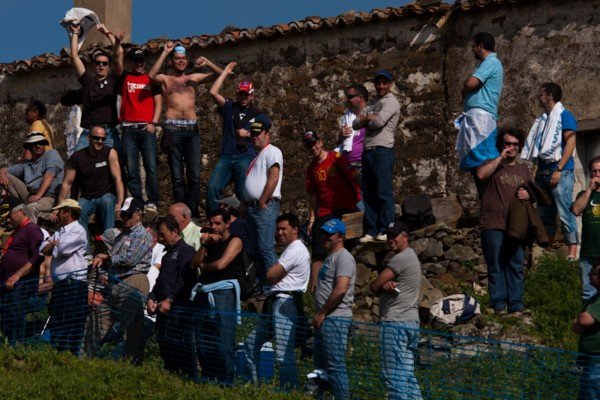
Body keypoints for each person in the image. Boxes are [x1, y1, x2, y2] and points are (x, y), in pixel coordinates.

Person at [149, 42, 223, 218]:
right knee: (177, 177)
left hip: (191, 131)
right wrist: (165, 52)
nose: (181, 61)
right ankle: (180, 214)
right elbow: (151, 75)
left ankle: (192, 213)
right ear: (172, 62)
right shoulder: (166, 79)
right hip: (172, 129)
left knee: (195, 176)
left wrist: (208, 63)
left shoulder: (193, 78)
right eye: (177, 59)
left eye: (183, 58)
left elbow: (221, 74)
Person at [244, 212, 310, 388]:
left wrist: (272, 274)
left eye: (283, 228)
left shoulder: (296, 249)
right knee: (251, 344)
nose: (279, 232)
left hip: (285, 303)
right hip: (276, 302)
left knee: (283, 354)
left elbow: (270, 275)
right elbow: (272, 277)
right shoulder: (290, 250)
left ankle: (289, 391)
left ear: (295, 230)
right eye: (277, 229)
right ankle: (255, 387)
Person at [477, 127, 532, 315]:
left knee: (516, 265)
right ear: (501, 144)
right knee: (496, 265)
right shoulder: (491, 163)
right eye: (508, 143)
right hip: (493, 223)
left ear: (520, 147)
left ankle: (516, 305)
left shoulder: (524, 170)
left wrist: (528, 195)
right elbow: (481, 175)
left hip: (516, 227)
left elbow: (534, 195)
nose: (511, 147)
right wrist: (500, 157)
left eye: (515, 144)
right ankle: (499, 304)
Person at [91, 197, 153, 364]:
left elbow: (129, 259)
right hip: (116, 282)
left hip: (134, 280)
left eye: (128, 214)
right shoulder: (120, 236)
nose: (124, 218)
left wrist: (107, 257)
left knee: (131, 326)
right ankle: (87, 356)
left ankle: (130, 363)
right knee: (99, 318)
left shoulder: (143, 235)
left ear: (139, 214)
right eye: (123, 214)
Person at [522, 82, 578, 260]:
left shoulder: (564, 115)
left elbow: (570, 142)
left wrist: (559, 169)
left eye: (541, 94)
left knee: (564, 212)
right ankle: (546, 250)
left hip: (559, 171)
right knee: (545, 212)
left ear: (549, 96)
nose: (539, 97)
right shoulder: (543, 120)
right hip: (544, 172)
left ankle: (572, 253)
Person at [369, 220, 422, 400]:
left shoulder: (400, 258)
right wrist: (385, 284)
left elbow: (374, 285)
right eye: (389, 235)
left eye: (394, 236)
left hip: (396, 322)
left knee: (393, 375)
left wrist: (381, 283)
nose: (390, 239)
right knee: (407, 375)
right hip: (410, 321)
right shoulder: (412, 256)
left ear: (405, 237)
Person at [192, 208, 244, 384]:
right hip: (204, 292)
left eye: (217, 223)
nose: (213, 227)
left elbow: (221, 265)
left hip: (223, 293)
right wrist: (205, 244)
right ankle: (208, 376)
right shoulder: (208, 241)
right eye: (211, 223)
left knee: (223, 338)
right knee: (202, 338)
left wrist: (204, 266)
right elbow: (194, 263)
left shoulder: (235, 240)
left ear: (228, 223)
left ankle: (226, 380)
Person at [303, 130, 359, 292]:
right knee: (319, 249)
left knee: (346, 246)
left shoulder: (336, 158)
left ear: (320, 141)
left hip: (345, 207)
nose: (313, 147)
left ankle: (346, 286)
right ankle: (315, 289)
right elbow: (313, 195)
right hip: (325, 211)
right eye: (309, 146)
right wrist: (312, 218)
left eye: (314, 143)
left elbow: (353, 177)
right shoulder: (311, 169)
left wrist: (358, 200)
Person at [113, 44, 162, 217]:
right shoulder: (125, 76)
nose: (139, 64)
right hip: (128, 129)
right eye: (136, 61)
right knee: (131, 168)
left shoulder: (151, 79)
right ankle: (138, 202)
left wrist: (154, 123)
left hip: (146, 127)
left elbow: (158, 102)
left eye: (141, 61)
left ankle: (153, 201)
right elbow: (117, 63)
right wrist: (116, 42)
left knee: (151, 167)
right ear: (131, 62)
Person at [207, 62, 262, 213]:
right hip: (227, 154)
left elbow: (263, 135)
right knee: (213, 186)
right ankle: (213, 220)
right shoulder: (230, 107)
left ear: (252, 95)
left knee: (243, 189)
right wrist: (225, 71)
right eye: (241, 94)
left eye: (246, 94)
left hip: (246, 155)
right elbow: (213, 92)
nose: (243, 97)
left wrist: (249, 134)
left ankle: (244, 220)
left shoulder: (258, 114)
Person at [353, 70, 400, 243]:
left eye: (384, 83)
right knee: (369, 192)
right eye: (378, 83)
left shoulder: (392, 102)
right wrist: (367, 118)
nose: (381, 86)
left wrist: (366, 119)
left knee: (383, 191)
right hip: (369, 150)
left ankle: (387, 228)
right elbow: (355, 123)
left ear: (390, 84)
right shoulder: (373, 103)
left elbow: (378, 122)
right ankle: (372, 230)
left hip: (382, 150)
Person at [147, 216, 197, 377]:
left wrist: (170, 299)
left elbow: (185, 280)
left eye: (163, 234)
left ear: (175, 232)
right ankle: (170, 377)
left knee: (181, 347)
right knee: (166, 347)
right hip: (162, 311)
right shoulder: (167, 254)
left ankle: (189, 379)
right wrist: (151, 297)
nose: (160, 239)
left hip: (178, 310)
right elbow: (161, 280)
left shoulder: (186, 251)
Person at [455, 32, 504, 194]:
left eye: (473, 46)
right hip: (476, 121)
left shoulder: (491, 62)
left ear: (481, 46)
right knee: (476, 163)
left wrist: (465, 87)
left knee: (483, 163)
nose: (472, 50)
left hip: (481, 122)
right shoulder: (486, 64)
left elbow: (470, 82)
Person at [52, 126, 124, 235]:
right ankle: (85, 250)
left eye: (103, 139)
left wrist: (119, 202)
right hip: (87, 198)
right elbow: (67, 183)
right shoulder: (77, 157)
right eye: (96, 138)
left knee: (107, 202)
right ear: (89, 138)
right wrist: (59, 207)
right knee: (77, 209)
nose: (100, 141)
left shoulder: (110, 152)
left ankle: (108, 244)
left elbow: (117, 178)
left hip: (106, 195)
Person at [313, 218, 356, 400]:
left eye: (329, 234)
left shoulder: (344, 257)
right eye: (324, 233)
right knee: (321, 365)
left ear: (341, 237)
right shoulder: (331, 257)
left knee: (335, 366)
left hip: (334, 318)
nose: (325, 237)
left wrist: (322, 312)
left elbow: (341, 288)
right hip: (325, 319)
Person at [40, 199, 88, 355]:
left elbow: (62, 249)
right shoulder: (59, 232)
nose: (57, 213)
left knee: (72, 320)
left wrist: (52, 244)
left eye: (59, 210)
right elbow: (43, 249)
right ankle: (58, 352)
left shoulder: (78, 230)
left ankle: (71, 354)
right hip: (61, 283)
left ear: (68, 212)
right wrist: (53, 244)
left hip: (74, 283)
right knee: (59, 317)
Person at [68, 23, 122, 155]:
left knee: (119, 164)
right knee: (75, 163)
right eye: (98, 63)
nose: (101, 65)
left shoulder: (113, 80)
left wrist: (108, 33)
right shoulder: (88, 80)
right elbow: (74, 56)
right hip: (88, 132)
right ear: (94, 66)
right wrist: (75, 33)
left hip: (109, 132)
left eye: (104, 63)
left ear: (109, 67)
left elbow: (119, 54)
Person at [243, 115, 283, 285]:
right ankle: (265, 285)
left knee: (266, 247)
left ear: (267, 134)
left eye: (258, 133)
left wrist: (262, 201)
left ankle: (276, 284)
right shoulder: (257, 156)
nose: (255, 137)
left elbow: (273, 178)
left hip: (264, 205)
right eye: (252, 134)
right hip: (254, 207)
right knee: (257, 249)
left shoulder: (272, 151)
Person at [0, 198, 44, 345]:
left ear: (20, 212)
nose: (8, 218)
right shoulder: (18, 230)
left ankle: (16, 345)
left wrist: (17, 275)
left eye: (10, 214)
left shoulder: (32, 229)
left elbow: (37, 256)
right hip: (7, 281)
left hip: (20, 283)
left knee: (16, 314)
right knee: (6, 314)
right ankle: (8, 342)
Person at [0, 133, 64, 224]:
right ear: (29, 147)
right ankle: (20, 205)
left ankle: (31, 232)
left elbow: (50, 175)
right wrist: (2, 175)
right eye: (34, 144)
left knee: (30, 208)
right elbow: (4, 170)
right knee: (6, 176)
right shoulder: (27, 164)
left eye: (41, 143)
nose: (38, 146)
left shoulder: (51, 153)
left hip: (49, 197)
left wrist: (38, 195)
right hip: (30, 196)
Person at [572, 156, 600, 301]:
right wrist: (589, 189)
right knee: (588, 294)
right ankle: (587, 323)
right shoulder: (583, 194)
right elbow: (576, 210)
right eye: (594, 171)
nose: (597, 174)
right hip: (588, 253)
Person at [573, 260, 600, 400]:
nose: (589, 274)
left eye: (593, 272)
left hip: (597, 364)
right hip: (590, 361)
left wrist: (578, 321)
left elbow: (584, 320)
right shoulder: (596, 297)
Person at [336, 84, 367, 179]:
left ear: (360, 98)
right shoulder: (348, 115)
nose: (347, 99)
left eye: (350, 96)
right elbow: (341, 142)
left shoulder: (370, 115)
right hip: (346, 164)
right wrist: (341, 135)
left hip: (362, 164)